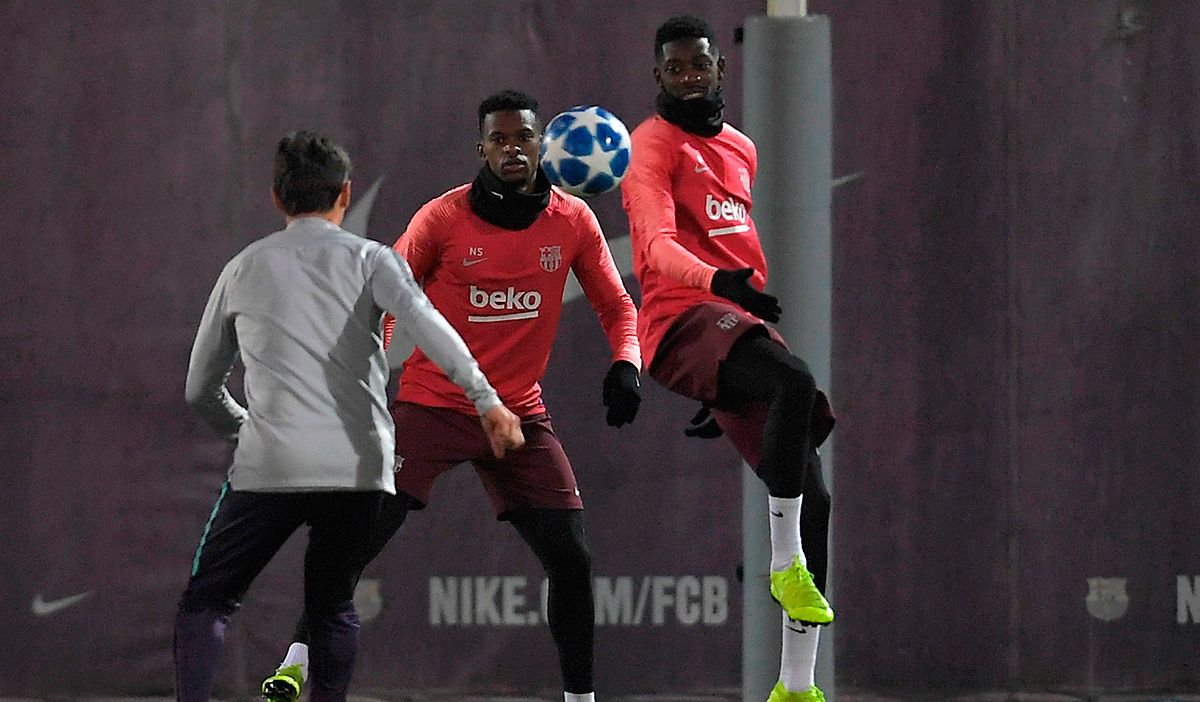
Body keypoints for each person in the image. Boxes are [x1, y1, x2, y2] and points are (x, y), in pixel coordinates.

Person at [264, 90, 642, 702]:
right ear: (482, 148)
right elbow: (385, 297)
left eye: (524, 137)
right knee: (358, 537)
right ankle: (294, 663)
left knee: (571, 559)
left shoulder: (573, 221)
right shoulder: (442, 217)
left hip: (517, 413)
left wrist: (627, 363)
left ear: (543, 143)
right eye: (500, 140)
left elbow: (617, 303)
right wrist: (368, 378)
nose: (513, 149)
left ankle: (581, 699)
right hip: (433, 404)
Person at [175, 130, 524, 702]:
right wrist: (485, 399)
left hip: (271, 467)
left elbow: (199, 390)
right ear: (345, 193)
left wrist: (247, 428)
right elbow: (426, 324)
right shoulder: (370, 259)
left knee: (207, 601)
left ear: (276, 197)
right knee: (332, 605)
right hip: (357, 467)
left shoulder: (242, 268)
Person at [620, 16, 836, 702]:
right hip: (679, 319)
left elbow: (736, 246)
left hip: (732, 326)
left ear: (720, 69)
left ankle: (796, 686)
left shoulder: (741, 146)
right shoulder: (647, 147)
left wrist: (727, 380)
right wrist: (719, 288)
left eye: (700, 66)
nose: (690, 77)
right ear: (658, 76)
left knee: (817, 493)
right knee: (796, 379)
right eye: (676, 68)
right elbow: (652, 248)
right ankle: (781, 563)